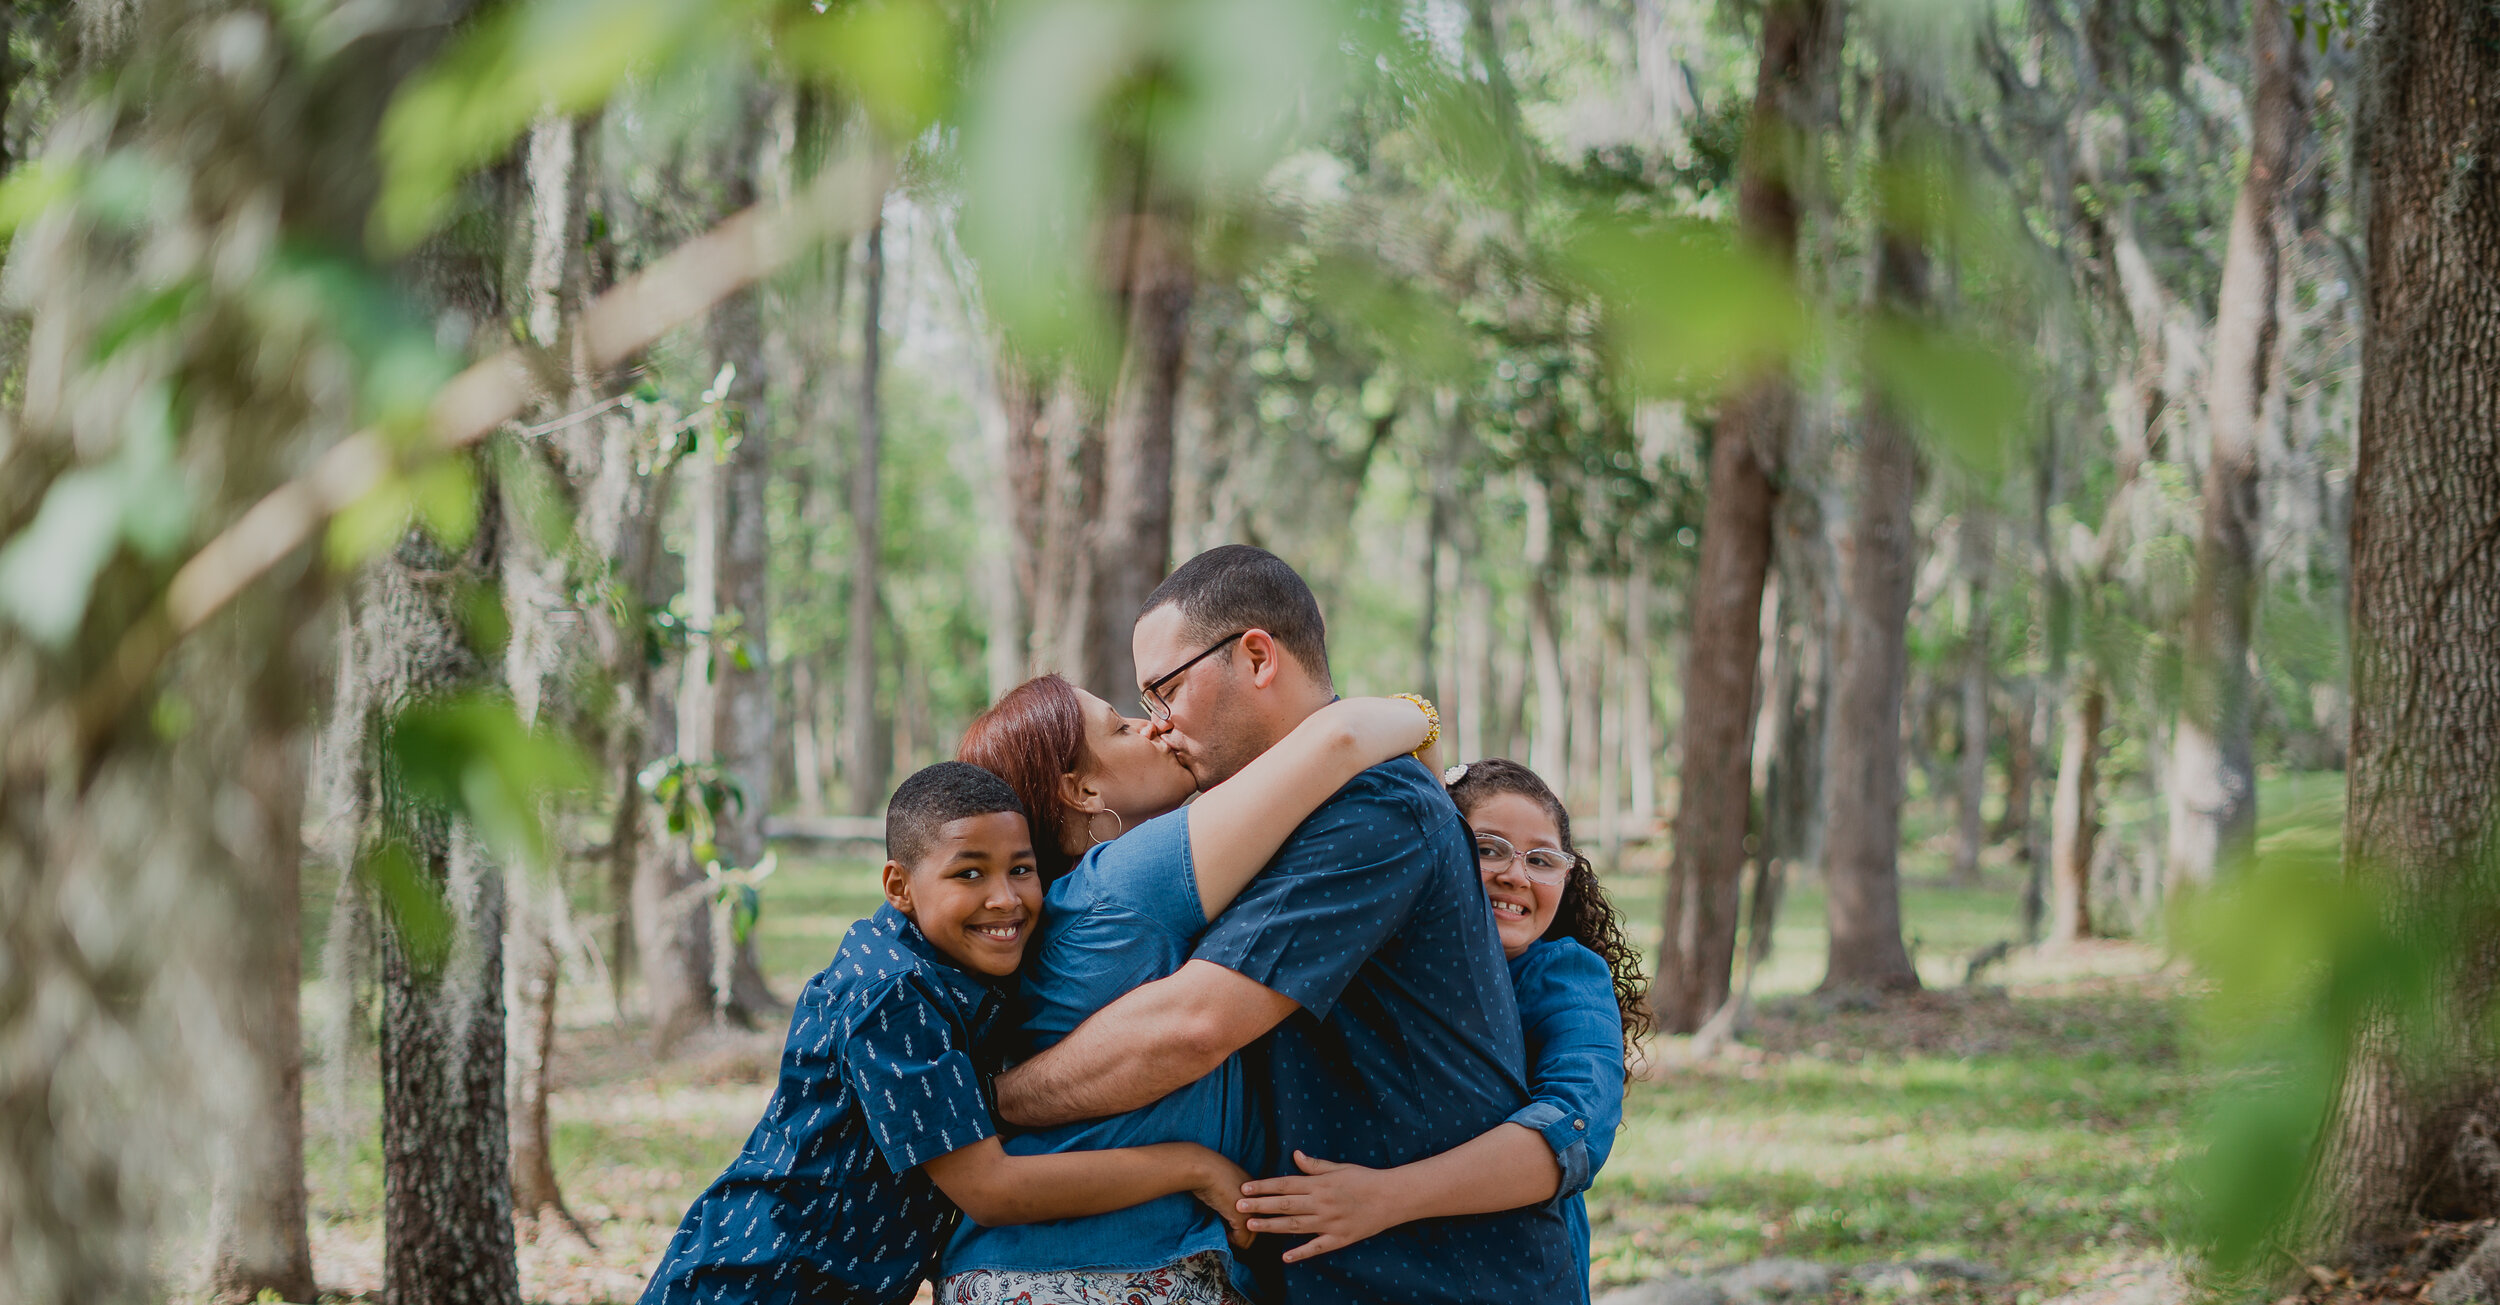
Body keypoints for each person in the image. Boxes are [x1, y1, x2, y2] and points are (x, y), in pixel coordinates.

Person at [992, 545, 1581, 1304]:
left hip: (1439, 1273)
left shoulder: (1374, 807)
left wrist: (997, 1100)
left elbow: (1193, 1024)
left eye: (1164, 691)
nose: (1158, 725)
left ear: (1258, 657)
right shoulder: (1257, 820)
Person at [639, 762, 1252, 1305]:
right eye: (968, 874)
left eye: (1021, 869)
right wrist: (1192, 1167)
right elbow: (992, 1189)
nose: (1004, 898)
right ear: (899, 887)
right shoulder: (892, 992)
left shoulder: (948, 967)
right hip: (758, 1283)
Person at [938, 673, 1436, 1305]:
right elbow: (1338, 738)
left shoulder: (1062, 909)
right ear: (1081, 789)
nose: (1153, 726)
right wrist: (1419, 714)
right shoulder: (1127, 879)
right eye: (1121, 727)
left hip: (1050, 1268)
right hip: (1098, 1274)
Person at [1233, 758, 1650, 1299]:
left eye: (1542, 860)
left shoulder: (1560, 974)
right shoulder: (1369, 957)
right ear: (1434, 856)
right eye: (1487, 848)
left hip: (1503, 1270)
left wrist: (1384, 1197)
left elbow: (1572, 1134)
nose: (1515, 875)